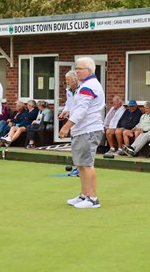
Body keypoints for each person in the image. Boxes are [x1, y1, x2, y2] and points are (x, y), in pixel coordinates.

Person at [59, 56, 105, 209]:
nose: (76, 71)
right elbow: (77, 106)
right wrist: (68, 112)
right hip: (82, 129)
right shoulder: (84, 85)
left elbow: (82, 110)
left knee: (86, 164)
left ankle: (92, 198)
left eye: (80, 69)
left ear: (89, 70)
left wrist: (66, 127)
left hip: (88, 129)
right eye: (76, 68)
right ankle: (84, 195)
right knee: (80, 164)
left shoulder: (88, 86)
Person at [58, 70, 80, 176]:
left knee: (81, 146)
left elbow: (81, 107)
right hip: (73, 121)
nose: (66, 82)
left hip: (81, 121)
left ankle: (80, 168)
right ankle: (77, 167)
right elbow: (69, 104)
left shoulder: (82, 90)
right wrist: (64, 112)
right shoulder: (68, 90)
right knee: (75, 145)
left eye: (68, 80)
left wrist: (70, 111)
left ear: (75, 80)